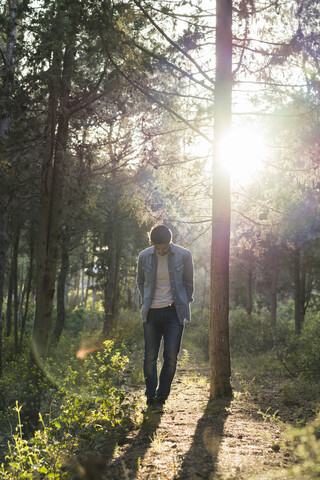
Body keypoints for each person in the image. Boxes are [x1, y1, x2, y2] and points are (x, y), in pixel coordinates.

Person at [137, 225, 194, 410]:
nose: (161, 250)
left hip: (173, 313)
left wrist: (185, 302)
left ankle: (162, 396)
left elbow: (188, 283)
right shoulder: (144, 256)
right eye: (157, 247)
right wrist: (146, 301)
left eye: (165, 247)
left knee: (170, 356)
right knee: (150, 356)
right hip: (151, 312)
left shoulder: (184, 255)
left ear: (171, 241)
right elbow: (140, 282)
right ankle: (150, 395)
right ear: (152, 242)